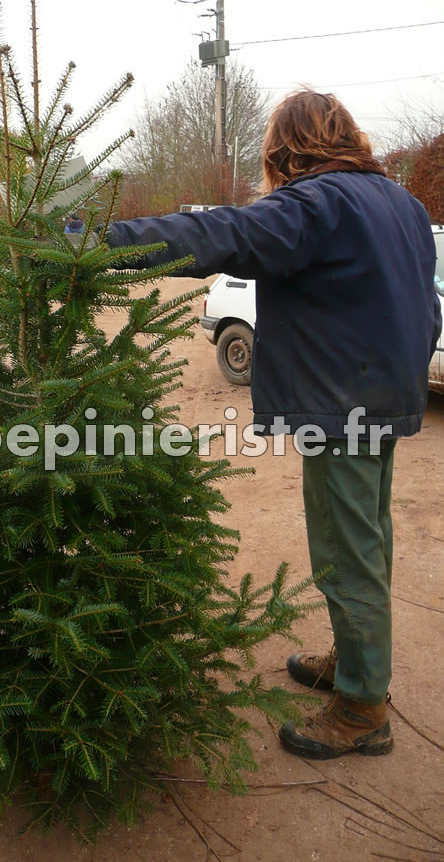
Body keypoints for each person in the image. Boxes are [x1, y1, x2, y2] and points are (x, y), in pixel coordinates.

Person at [105, 90, 441, 760]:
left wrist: (101, 243)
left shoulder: (317, 203)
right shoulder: (399, 204)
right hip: (385, 394)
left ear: (287, 147)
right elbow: (424, 296)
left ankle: (362, 708)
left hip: (345, 405)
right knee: (366, 542)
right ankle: (353, 662)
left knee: (347, 554)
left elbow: (217, 233)